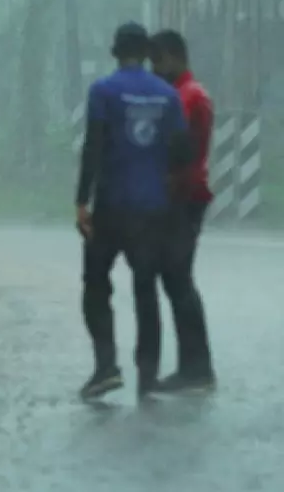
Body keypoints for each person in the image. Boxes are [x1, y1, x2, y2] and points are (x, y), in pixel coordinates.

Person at [75, 22, 192, 400]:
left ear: (115, 52)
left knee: (96, 284)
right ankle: (148, 375)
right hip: (152, 209)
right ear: (145, 52)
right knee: (146, 289)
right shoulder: (167, 95)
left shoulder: (103, 91)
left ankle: (106, 367)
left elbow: (93, 146)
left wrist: (81, 201)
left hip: (111, 206)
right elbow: (182, 151)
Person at [148, 29, 217, 393]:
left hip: (184, 197)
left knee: (178, 279)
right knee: (176, 280)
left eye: (158, 61)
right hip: (178, 195)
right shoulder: (181, 95)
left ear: (175, 56)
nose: (155, 69)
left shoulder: (189, 97)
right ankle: (193, 365)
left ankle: (196, 367)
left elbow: (183, 152)